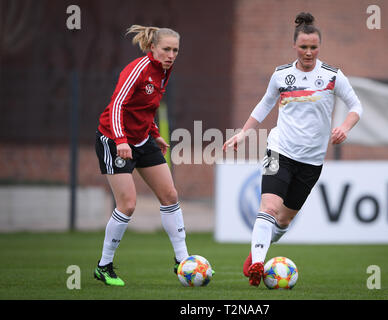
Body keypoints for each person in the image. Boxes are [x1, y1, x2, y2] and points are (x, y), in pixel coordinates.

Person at [223, 12, 363, 287]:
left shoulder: (333, 76)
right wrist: (243, 132)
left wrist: (345, 127)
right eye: (303, 47)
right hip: (279, 151)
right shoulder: (281, 75)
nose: (308, 52)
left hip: (311, 161)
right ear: (295, 46)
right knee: (270, 206)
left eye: (313, 47)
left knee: (284, 220)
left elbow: (356, 106)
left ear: (319, 47)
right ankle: (259, 264)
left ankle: (256, 253)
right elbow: (264, 105)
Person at [93, 25, 189, 286]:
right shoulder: (138, 69)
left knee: (170, 195)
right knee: (128, 205)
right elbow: (117, 105)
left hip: (142, 139)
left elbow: (147, 108)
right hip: (113, 139)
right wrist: (121, 141)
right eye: (166, 49)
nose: (171, 54)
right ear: (152, 48)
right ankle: (104, 266)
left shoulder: (164, 72)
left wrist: (154, 131)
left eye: (175, 50)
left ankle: (183, 262)